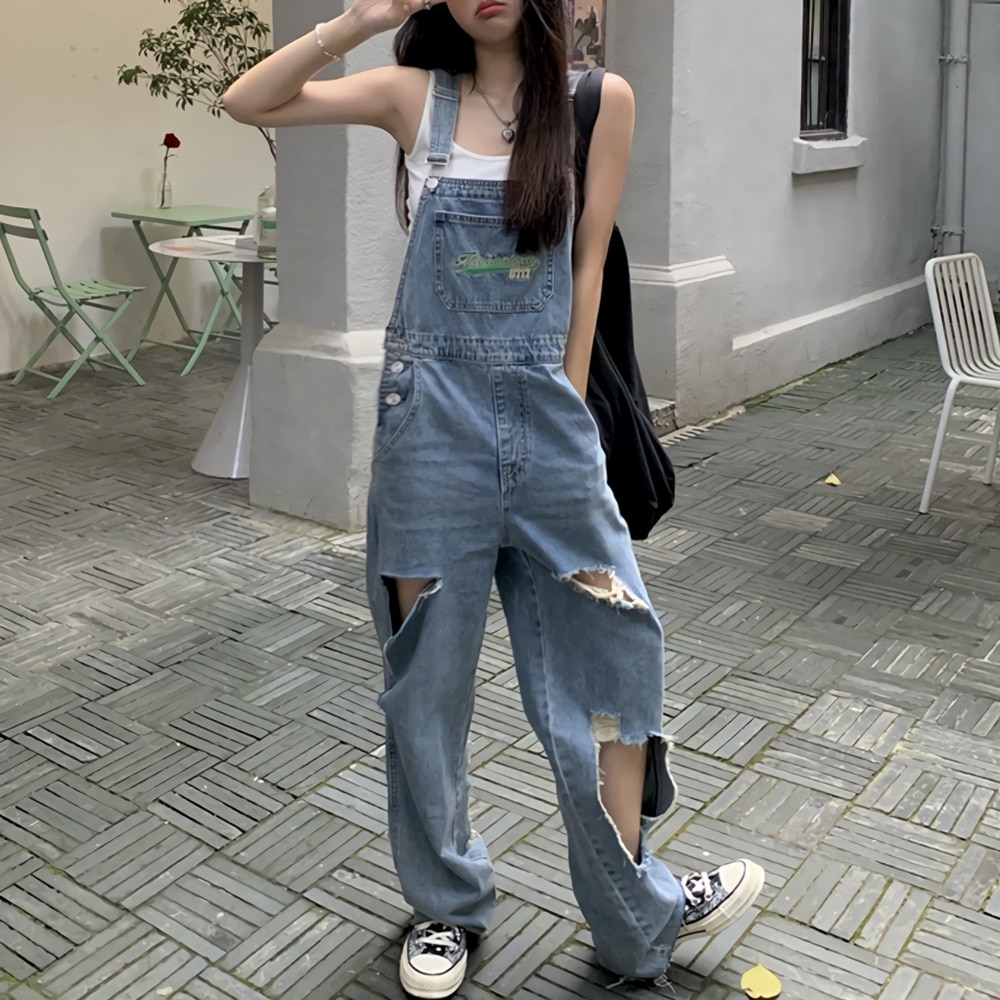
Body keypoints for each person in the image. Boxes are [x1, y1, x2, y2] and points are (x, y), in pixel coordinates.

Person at [223, 2, 765, 996]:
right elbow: (247, 100)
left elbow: (588, 262)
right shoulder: (411, 97)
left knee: (617, 663)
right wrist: (361, 19)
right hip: (429, 432)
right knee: (425, 686)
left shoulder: (597, 102)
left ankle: (633, 912)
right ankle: (446, 905)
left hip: (550, 428)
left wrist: (565, 405)